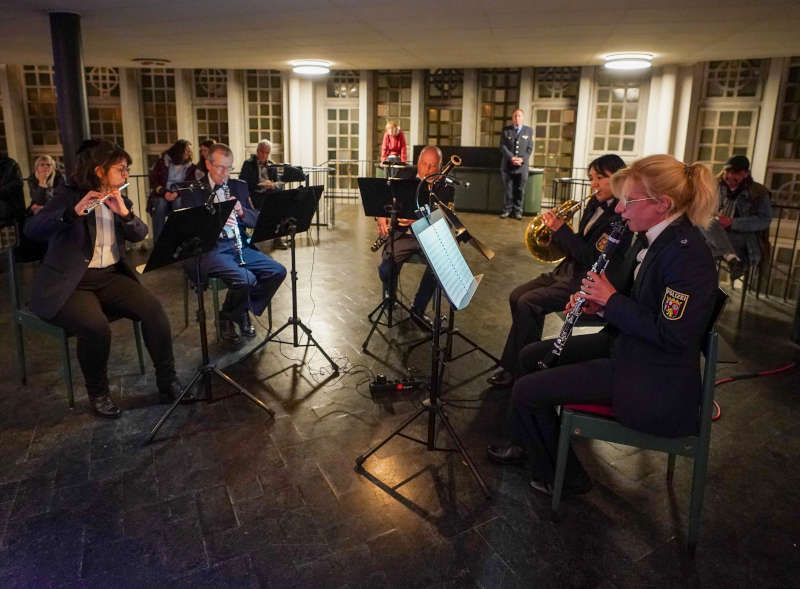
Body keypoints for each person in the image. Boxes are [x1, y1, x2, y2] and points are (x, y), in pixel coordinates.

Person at [487, 154, 718, 496]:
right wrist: (599, 307)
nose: (621, 211)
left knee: (526, 390)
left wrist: (612, 301)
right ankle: (533, 444)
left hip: (652, 379)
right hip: (630, 348)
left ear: (662, 204)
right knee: (529, 356)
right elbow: (642, 304)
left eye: (629, 202)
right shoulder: (656, 238)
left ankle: (567, 479)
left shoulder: (687, 256)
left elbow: (672, 336)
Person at [24, 141, 182, 418]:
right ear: (99, 170)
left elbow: (140, 233)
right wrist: (71, 213)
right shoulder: (68, 195)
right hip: (73, 282)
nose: (126, 174)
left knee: (154, 310)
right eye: (121, 169)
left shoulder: (119, 196)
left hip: (109, 276)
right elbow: (33, 229)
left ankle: (167, 380)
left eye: (127, 169)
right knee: (96, 328)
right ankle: (99, 393)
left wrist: (125, 213)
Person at [488, 154, 628, 387]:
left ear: (619, 178)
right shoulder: (594, 204)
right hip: (566, 270)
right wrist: (553, 232)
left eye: (599, 178)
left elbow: (592, 258)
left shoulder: (619, 217)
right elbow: (577, 246)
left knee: (528, 303)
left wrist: (562, 230)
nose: (593, 185)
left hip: (584, 280)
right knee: (516, 296)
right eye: (591, 178)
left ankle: (519, 371)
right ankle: (518, 361)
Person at [180, 143, 287, 347]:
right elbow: (187, 230)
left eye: (229, 168)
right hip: (211, 249)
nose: (225, 173)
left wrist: (241, 211)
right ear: (208, 164)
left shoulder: (239, 186)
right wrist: (212, 214)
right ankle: (233, 316)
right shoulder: (192, 190)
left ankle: (233, 313)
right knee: (246, 279)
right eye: (220, 167)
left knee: (277, 271)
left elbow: (256, 219)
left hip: (239, 246)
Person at [376, 145, 454, 325]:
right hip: (404, 237)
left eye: (432, 165)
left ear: (440, 166)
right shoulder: (404, 176)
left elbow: (446, 220)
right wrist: (380, 216)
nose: (427, 169)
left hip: (430, 237)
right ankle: (391, 298)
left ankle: (418, 309)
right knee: (386, 269)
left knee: (439, 266)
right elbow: (383, 198)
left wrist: (418, 220)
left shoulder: (446, 186)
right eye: (424, 164)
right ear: (418, 162)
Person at [701, 155, 772, 281]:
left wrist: (732, 223)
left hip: (742, 237)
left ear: (745, 173)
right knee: (701, 224)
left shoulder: (759, 192)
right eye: (727, 171)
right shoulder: (714, 185)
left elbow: (764, 220)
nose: (729, 176)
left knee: (702, 245)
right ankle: (732, 260)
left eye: (735, 173)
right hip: (714, 230)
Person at [239, 139, 287, 250]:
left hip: (269, 194)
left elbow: (279, 183)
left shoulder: (271, 165)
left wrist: (274, 185)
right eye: (262, 152)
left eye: (267, 153)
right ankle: (253, 238)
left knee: (282, 205)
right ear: (257, 151)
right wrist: (259, 185)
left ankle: (277, 238)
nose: (264, 155)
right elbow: (242, 182)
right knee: (267, 207)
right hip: (254, 195)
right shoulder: (248, 164)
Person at [147, 139, 197, 241]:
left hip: (180, 195)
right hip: (162, 194)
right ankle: (159, 242)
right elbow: (153, 180)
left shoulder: (191, 168)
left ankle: (178, 239)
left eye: (190, 151)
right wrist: (164, 192)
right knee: (160, 205)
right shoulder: (162, 162)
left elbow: (191, 184)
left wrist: (177, 193)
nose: (190, 153)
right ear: (179, 151)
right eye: (187, 151)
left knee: (178, 204)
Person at [499, 109, 534, 220]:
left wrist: (521, 159)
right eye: (515, 116)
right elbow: (502, 146)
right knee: (508, 190)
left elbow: (530, 148)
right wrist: (512, 158)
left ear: (523, 118)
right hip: (507, 166)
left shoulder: (529, 131)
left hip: (522, 167)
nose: (517, 118)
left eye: (519, 116)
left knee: (520, 190)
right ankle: (507, 210)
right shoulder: (506, 130)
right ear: (512, 118)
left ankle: (518, 211)